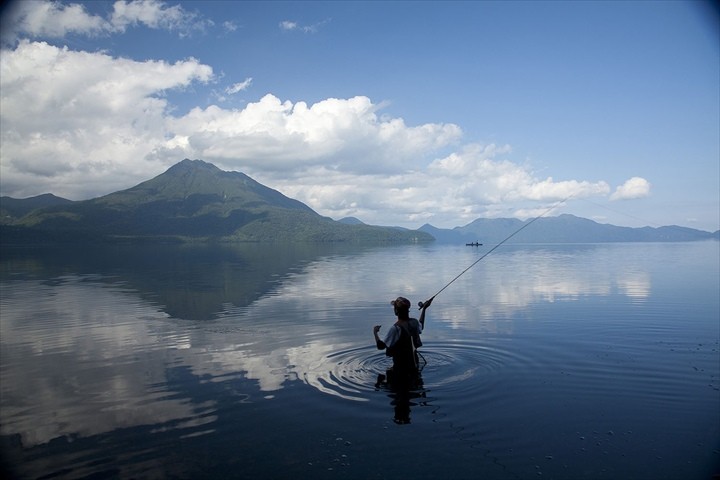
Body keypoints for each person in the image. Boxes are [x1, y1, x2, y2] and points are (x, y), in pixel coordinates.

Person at [373, 296, 432, 375]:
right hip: (415, 363)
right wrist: (424, 309)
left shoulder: (395, 328)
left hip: (400, 367)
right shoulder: (414, 322)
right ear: (408, 310)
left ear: (396, 311)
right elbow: (421, 324)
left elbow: (381, 346)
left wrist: (375, 332)